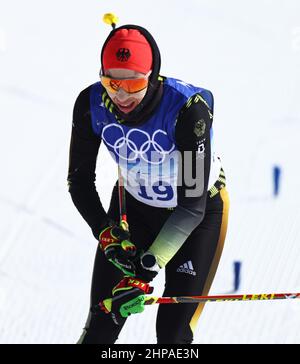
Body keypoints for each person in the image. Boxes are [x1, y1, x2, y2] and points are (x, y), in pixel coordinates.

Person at [67, 22, 230, 344]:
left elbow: (191, 206)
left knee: (172, 336)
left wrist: (144, 272)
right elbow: (79, 180)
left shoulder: (189, 109)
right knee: (101, 324)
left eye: (134, 84)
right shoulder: (90, 103)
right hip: (133, 210)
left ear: (153, 76)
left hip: (196, 219)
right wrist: (106, 233)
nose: (121, 95)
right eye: (111, 83)